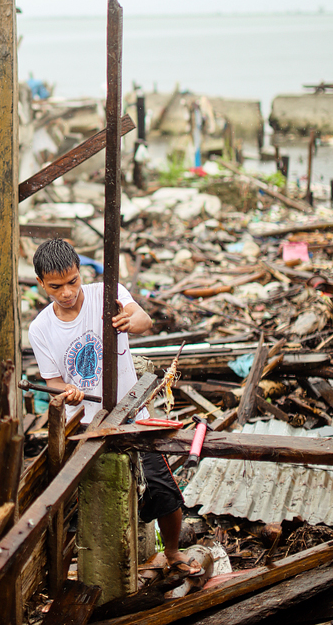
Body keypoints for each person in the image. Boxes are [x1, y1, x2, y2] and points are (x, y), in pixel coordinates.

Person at [28, 237, 195, 573]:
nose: (67, 293)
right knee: (85, 503)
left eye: (72, 281)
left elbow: (143, 319)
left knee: (163, 489)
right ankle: (88, 566)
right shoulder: (40, 329)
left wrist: (130, 322)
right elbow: (53, 384)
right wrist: (69, 391)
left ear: (80, 272)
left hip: (133, 415)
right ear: (40, 284)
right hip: (87, 427)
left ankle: (174, 553)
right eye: (55, 286)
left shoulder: (107, 293)